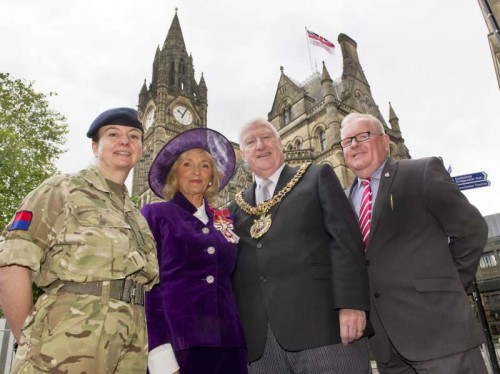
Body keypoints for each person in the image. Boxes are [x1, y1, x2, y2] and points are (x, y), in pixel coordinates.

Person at [0, 107, 159, 373]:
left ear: (142, 149)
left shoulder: (136, 216)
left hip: (130, 348)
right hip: (65, 344)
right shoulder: (61, 189)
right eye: (113, 134)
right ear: (95, 146)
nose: (125, 141)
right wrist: (28, 340)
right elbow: (11, 266)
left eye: (134, 136)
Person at [340, 112, 488, 374]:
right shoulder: (342, 199)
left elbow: (471, 231)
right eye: (347, 141)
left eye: (363, 136)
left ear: (385, 141)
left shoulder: (421, 171)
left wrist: (446, 287)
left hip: (440, 333)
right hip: (387, 348)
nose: (354, 144)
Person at [229, 118, 373, 374]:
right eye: (251, 142)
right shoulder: (235, 208)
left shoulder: (316, 176)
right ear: (243, 154)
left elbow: (346, 241)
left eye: (267, 138)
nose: (260, 145)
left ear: (280, 143)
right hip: (264, 345)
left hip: (324, 330)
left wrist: (352, 304)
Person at [142, 128, 248, 374]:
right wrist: (159, 353)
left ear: (212, 175)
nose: (197, 172)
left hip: (229, 346)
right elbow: (146, 285)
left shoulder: (226, 220)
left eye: (204, 165)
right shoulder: (155, 215)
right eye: (187, 164)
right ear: (174, 174)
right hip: (178, 346)